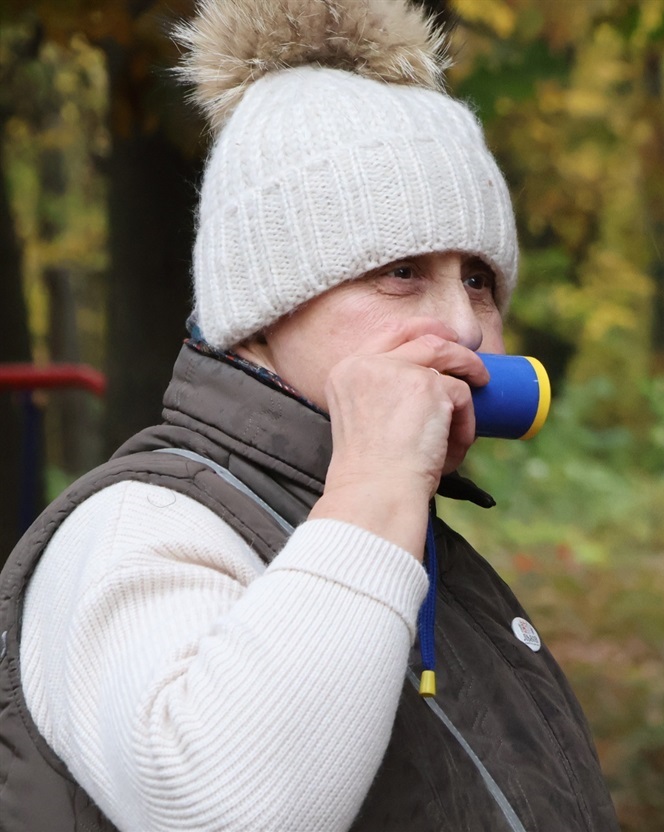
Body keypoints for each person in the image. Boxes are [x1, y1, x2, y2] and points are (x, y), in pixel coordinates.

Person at [0, 0, 619, 829]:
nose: (468, 326)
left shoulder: (405, 535)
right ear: (261, 313)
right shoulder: (136, 527)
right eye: (401, 271)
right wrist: (376, 478)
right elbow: (221, 810)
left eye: (477, 277)